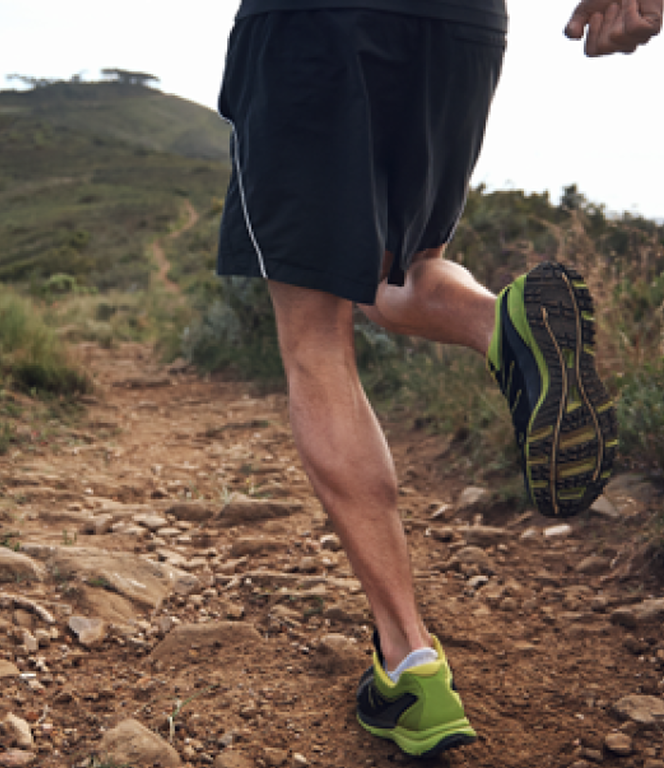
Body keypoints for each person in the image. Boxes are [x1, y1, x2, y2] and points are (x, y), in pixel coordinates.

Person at [215, 0, 662, 758]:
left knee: (317, 341)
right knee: (405, 268)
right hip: (458, 26)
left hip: (311, 25)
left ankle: (410, 661)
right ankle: (501, 324)